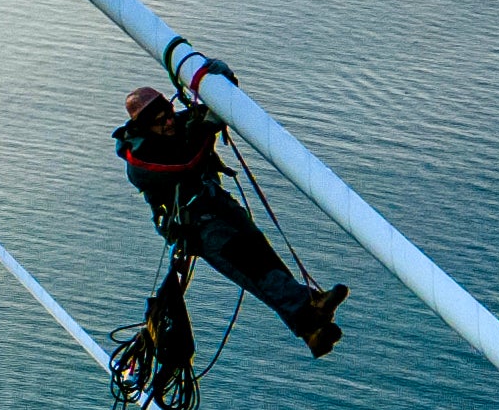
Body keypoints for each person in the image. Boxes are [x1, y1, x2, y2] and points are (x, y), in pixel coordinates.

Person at [115, 86, 347, 357]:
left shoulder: (174, 125)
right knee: (253, 267)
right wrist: (207, 127)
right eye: (160, 121)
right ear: (144, 126)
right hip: (198, 226)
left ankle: (311, 322)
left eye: (169, 113)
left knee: (262, 255)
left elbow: (209, 109)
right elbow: (185, 163)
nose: (169, 122)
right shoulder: (139, 160)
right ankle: (305, 313)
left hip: (216, 203)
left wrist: (217, 88)